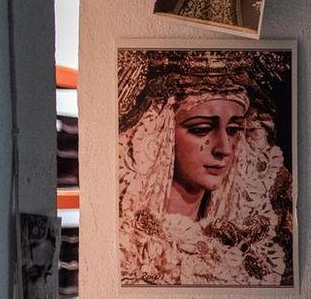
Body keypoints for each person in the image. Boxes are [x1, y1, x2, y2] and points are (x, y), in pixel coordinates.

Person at [117, 48, 293, 286]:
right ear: (160, 134)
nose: (224, 148)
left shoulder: (249, 244)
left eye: (233, 130)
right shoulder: (130, 243)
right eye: (201, 129)